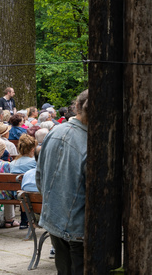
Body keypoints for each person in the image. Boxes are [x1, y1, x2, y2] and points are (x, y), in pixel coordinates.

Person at [36, 89, 88, 273]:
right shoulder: (89, 143)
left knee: (63, 270)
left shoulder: (54, 131)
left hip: (54, 218)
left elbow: (39, 176)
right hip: (77, 226)